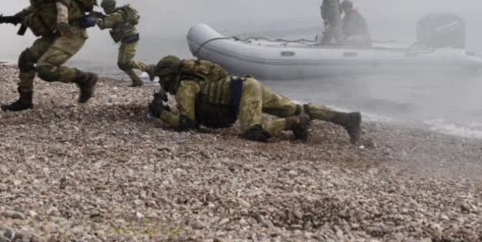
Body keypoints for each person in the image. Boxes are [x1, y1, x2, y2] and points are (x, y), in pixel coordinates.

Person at [147, 56, 362, 144]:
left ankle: (295, 122)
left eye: (163, 80)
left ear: (169, 76)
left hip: (243, 92)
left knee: (254, 133)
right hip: (247, 84)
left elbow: (187, 124)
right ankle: (346, 119)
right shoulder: (193, 81)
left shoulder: (185, 87)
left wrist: (162, 115)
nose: (163, 84)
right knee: (295, 107)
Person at [0, 0, 99, 111]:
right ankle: (25, 101)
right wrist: (17, 16)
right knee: (26, 59)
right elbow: (38, 6)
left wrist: (62, 20)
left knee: (46, 70)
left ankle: (85, 79)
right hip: (57, 32)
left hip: (71, 31)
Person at [94, 0, 148, 86]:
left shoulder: (115, 15)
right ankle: (136, 80)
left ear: (109, 7)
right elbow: (110, 20)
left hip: (131, 38)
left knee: (127, 62)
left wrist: (95, 19)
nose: (104, 10)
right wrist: (101, 16)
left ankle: (149, 69)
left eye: (105, 8)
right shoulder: (117, 13)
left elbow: (103, 25)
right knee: (121, 64)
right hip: (126, 39)